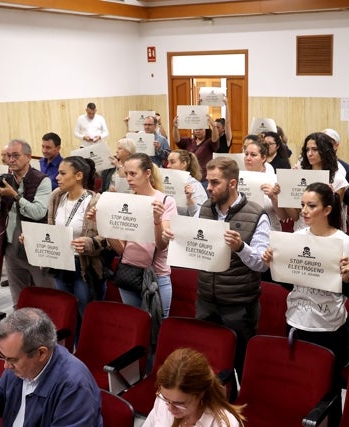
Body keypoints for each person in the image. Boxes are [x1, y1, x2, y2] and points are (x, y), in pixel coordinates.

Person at [164, 157, 269, 376]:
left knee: (239, 366)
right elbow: (196, 249)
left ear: (232, 183)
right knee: (206, 362)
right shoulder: (205, 209)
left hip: (238, 304)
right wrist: (175, 238)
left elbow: (261, 264)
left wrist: (240, 247)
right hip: (206, 301)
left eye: (214, 183)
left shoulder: (256, 213)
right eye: (208, 182)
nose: (208, 188)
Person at [262, 182, 349, 387]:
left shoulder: (346, 242)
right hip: (296, 319)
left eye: (311, 206)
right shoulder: (296, 238)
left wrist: (345, 277)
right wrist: (273, 265)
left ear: (327, 210)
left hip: (328, 327)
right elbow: (291, 285)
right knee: (298, 384)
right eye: (303, 204)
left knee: (326, 386)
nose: (304, 211)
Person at [0, 308, 102, 427]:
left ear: (41, 353)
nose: (6, 365)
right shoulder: (19, 367)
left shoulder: (74, 385)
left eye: (12, 359)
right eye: (3, 356)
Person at [98, 153, 177, 317]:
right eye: (126, 174)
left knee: (158, 328)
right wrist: (105, 225)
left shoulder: (165, 201)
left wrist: (157, 221)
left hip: (156, 275)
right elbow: (122, 250)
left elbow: (162, 245)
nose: (128, 178)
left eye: (133, 174)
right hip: (129, 272)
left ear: (148, 173)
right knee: (134, 326)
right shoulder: (127, 201)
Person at [0, 139, 56, 306]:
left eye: (15, 156)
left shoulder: (42, 180)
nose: (11, 160)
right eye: (8, 156)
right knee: (18, 298)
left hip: (35, 246)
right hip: (11, 246)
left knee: (45, 295)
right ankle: (23, 329)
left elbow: (38, 212)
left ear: (28, 156)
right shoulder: (5, 179)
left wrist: (15, 196)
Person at [46, 156, 107, 321]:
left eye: (62, 173)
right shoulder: (56, 197)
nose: (57, 177)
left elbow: (107, 238)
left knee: (85, 311)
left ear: (78, 176)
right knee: (67, 311)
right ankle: (71, 345)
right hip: (61, 262)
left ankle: (86, 345)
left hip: (84, 266)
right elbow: (51, 229)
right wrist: (31, 238)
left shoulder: (96, 201)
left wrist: (89, 242)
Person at [143, 348, 245, 427]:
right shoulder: (163, 401)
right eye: (166, 399)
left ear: (200, 394)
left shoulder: (225, 424)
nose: (170, 408)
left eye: (179, 403)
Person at [290, 132, 349, 232]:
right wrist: (288, 184)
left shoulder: (338, 179)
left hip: (325, 233)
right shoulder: (300, 175)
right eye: (307, 150)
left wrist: (331, 196)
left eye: (315, 149)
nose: (309, 154)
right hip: (301, 230)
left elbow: (334, 216)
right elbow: (295, 216)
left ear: (325, 151)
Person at [243, 138, 288, 232]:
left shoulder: (274, 180)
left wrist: (273, 197)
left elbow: (283, 217)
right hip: (244, 229)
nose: (248, 158)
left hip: (269, 230)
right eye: (246, 154)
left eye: (253, 155)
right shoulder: (239, 177)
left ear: (263, 158)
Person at [173, 114, 220, 186]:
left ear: (206, 129)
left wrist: (213, 126)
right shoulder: (189, 141)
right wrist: (175, 127)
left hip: (203, 179)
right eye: (196, 129)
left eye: (200, 129)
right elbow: (177, 140)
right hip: (189, 178)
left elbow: (215, 139)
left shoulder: (209, 142)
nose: (198, 131)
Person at [322, 128, 349, 209]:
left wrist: (340, 187)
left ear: (336, 145)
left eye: (326, 142)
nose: (322, 145)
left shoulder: (346, 169)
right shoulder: (310, 165)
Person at [166, 149, 207, 216]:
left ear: (183, 164)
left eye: (172, 162)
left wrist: (189, 199)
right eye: (168, 162)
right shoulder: (164, 182)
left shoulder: (195, 185)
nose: (168, 166)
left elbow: (199, 215)